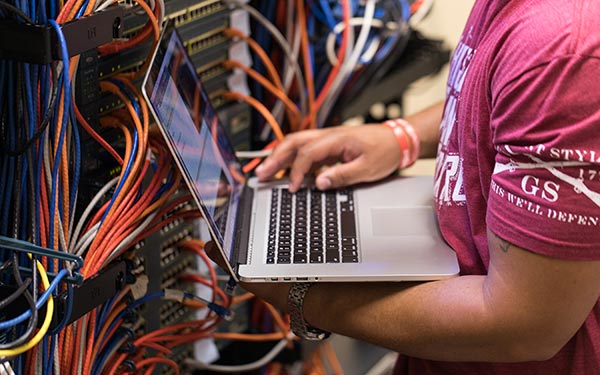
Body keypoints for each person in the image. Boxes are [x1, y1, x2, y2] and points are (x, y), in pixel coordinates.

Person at [207, 0, 600, 373]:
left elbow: (522, 327)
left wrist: (305, 297)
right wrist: (401, 138)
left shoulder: (565, 46)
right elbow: (506, 95)